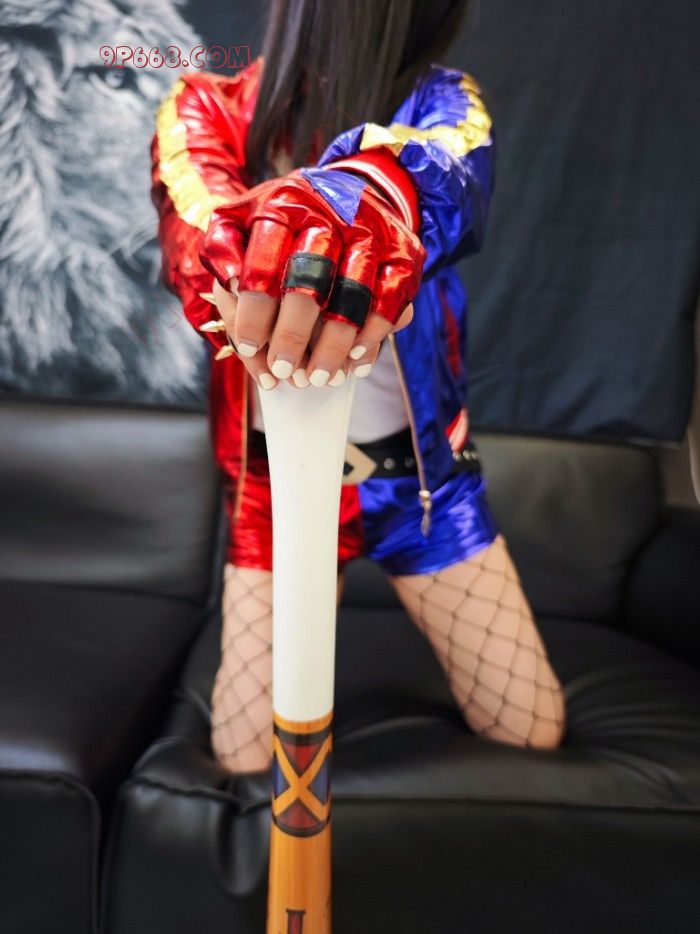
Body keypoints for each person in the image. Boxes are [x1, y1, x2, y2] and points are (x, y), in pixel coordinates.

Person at [151, 0, 566, 774]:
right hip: (276, 488)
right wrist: (270, 236)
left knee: (530, 727)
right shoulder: (205, 104)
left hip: (422, 487)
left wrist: (363, 204)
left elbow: (445, 182)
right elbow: (197, 231)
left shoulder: (447, 105)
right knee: (244, 756)